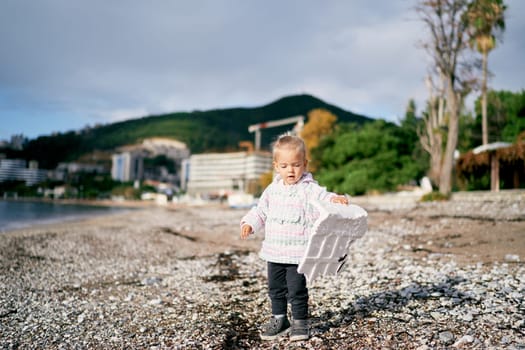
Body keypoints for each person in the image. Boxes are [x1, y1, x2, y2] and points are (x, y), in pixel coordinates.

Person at [240, 135, 348, 342]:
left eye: (296, 165)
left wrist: (334, 199)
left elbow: (323, 198)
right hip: (274, 252)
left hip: (298, 254)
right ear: (276, 167)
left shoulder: (308, 189)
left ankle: (300, 322)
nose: (291, 170)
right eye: (285, 165)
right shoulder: (272, 190)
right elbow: (260, 211)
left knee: (297, 289)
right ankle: (280, 319)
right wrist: (249, 224)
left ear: (305, 164)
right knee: (275, 289)